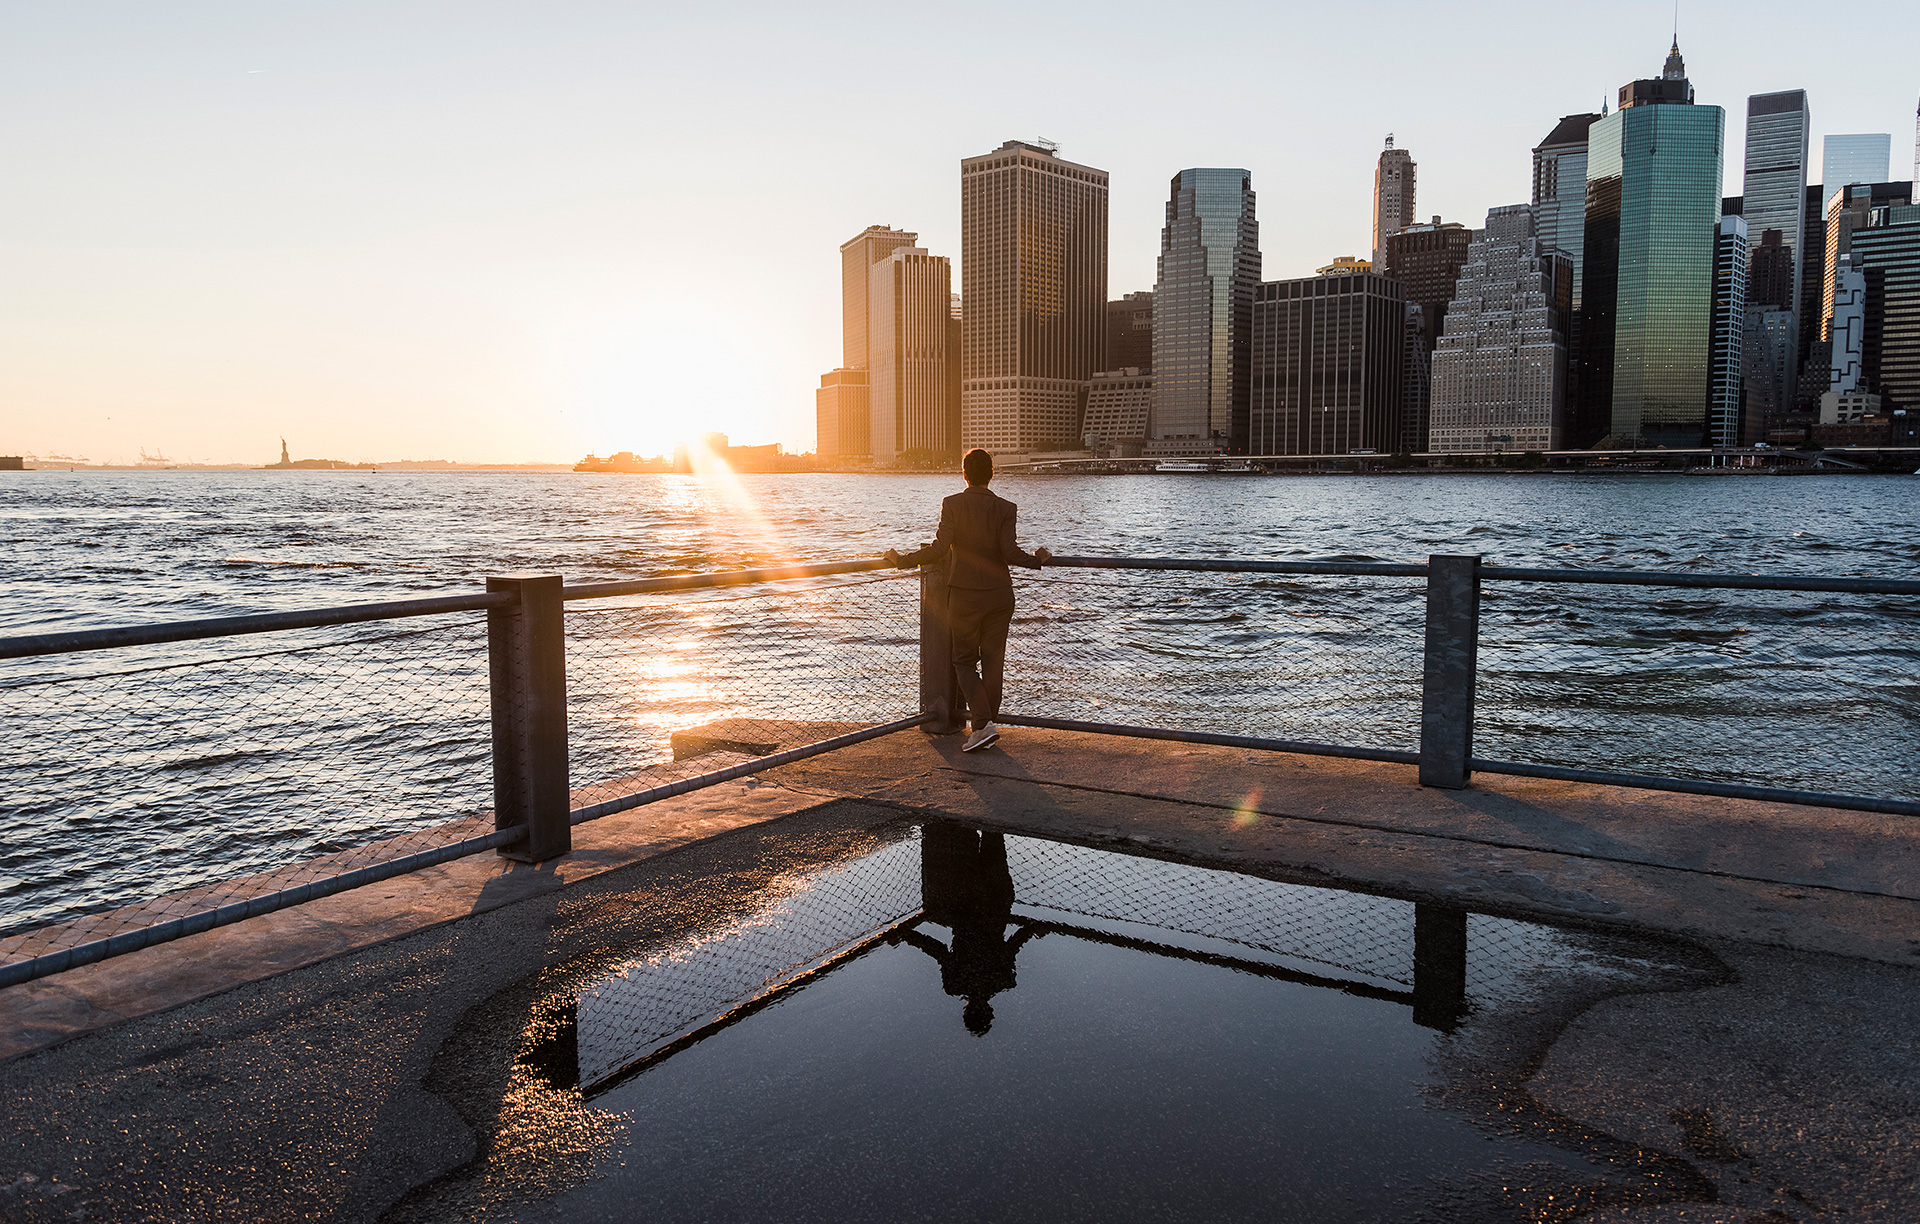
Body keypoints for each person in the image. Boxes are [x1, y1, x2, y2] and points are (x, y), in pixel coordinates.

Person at [887, 448, 1050, 752]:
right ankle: (985, 728)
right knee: (993, 662)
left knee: (963, 661)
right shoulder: (1006, 508)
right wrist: (1036, 560)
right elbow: (1009, 552)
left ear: (964, 474)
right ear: (992, 474)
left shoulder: (952, 504)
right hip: (999, 596)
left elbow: (938, 549)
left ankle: (983, 726)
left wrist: (902, 560)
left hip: (964, 596)